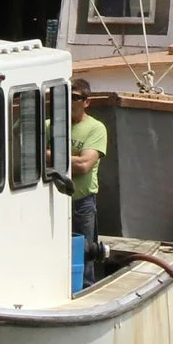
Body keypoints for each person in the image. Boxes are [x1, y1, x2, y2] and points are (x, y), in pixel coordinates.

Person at [68, 81, 107, 247]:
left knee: (84, 256)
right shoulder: (50, 126)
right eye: (66, 96)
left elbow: (84, 165)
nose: (69, 101)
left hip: (81, 204)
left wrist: (49, 155)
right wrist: (73, 158)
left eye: (75, 97)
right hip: (53, 202)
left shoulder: (96, 128)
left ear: (86, 102)